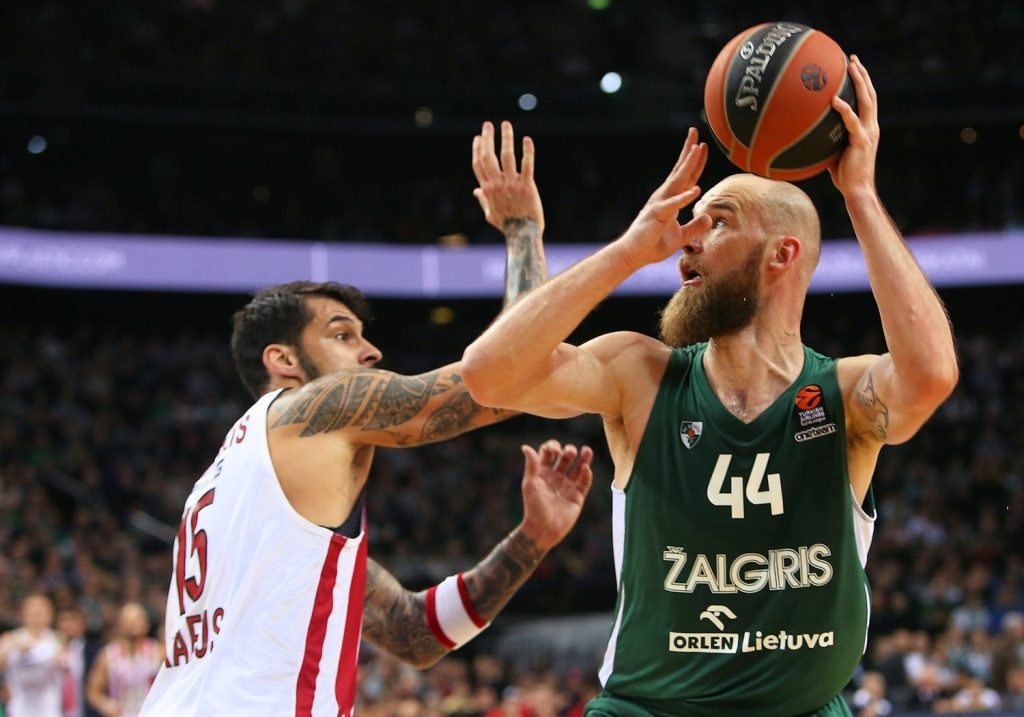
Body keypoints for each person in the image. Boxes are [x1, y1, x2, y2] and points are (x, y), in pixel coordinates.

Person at [461, 56, 958, 717]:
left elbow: (930, 375)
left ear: (782, 254)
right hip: (649, 709)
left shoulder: (840, 396)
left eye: (716, 221)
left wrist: (860, 196)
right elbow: (489, 375)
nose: (686, 239)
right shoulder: (640, 375)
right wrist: (628, 250)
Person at [138, 121, 595, 717]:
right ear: (283, 361)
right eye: (341, 335)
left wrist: (531, 539)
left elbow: (415, 633)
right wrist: (524, 230)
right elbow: (505, 377)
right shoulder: (314, 409)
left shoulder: (231, 487)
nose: (371, 352)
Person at [86, 603, 162, 717]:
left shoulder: (159, 651)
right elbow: (92, 691)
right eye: (128, 620)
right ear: (119, 625)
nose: (133, 624)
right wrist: (105, 704)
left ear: (146, 624)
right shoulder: (108, 655)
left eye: (137, 619)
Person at [0, 594, 66, 717]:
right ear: (22, 614)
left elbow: (67, 669)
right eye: (33, 612)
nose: (37, 616)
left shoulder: (58, 640)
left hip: (49, 710)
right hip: (19, 709)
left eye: (41, 612)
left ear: (50, 615)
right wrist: (9, 650)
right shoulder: (9, 639)